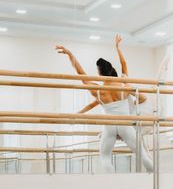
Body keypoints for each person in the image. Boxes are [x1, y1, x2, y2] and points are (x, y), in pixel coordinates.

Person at [54, 45, 154, 173]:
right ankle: (154, 180)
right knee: (143, 154)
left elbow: (80, 73)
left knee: (105, 157)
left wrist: (70, 54)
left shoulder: (98, 90)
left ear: (99, 73)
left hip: (109, 126)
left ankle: (112, 183)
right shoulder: (124, 85)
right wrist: (118, 47)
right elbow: (125, 66)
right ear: (111, 70)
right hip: (125, 124)